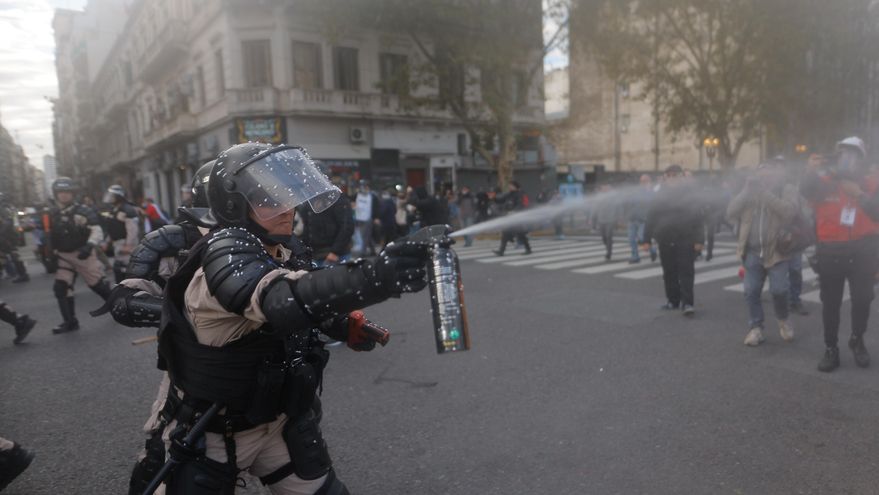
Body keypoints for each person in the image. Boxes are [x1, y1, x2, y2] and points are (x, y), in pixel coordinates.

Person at [139, 143, 434, 494]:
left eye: (288, 196)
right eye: (268, 199)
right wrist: (375, 276)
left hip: (276, 421)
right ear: (235, 205)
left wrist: (342, 323)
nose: (287, 208)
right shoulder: (221, 253)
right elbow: (279, 298)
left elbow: (308, 292)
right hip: (209, 430)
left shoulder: (284, 249)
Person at [801, 138, 879, 372]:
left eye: (853, 155)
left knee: (863, 300)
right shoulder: (824, 182)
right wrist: (810, 170)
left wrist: (858, 194)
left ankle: (857, 339)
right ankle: (830, 348)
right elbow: (805, 191)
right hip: (831, 251)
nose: (848, 160)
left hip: (864, 251)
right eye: (843, 154)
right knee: (831, 304)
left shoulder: (871, 183)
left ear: (861, 160)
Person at [726, 161, 799, 346]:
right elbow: (730, 212)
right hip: (752, 251)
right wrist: (745, 191)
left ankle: (783, 320)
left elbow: (789, 212)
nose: (764, 176)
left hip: (777, 251)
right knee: (751, 292)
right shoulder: (748, 190)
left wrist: (765, 194)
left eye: (769, 172)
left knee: (780, 290)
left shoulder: (786, 188)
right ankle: (756, 328)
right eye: (761, 172)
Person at [47, 177, 111, 334]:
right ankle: (70, 322)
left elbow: (97, 230)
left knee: (97, 285)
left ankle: (121, 309)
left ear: (73, 194)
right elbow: (50, 234)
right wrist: (51, 253)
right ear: (56, 194)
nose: (64, 195)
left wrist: (89, 246)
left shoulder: (84, 211)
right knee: (61, 287)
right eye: (60, 192)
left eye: (67, 192)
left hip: (83, 254)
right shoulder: (52, 213)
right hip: (63, 255)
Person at [642, 165, 703, 316]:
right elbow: (651, 217)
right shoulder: (660, 194)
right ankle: (673, 300)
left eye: (675, 175)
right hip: (665, 238)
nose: (672, 178)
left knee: (686, 272)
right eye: (669, 175)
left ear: (681, 177)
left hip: (686, 238)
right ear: (665, 177)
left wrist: (699, 240)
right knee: (669, 272)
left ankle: (688, 303)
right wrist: (646, 239)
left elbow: (698, 218)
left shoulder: (690, 194)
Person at [297, 187, 355, 267]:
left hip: (335, 254)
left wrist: (335, 252)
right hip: (315, 254)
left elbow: (346, 227)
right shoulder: (310, 201)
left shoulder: (337, 198)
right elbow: (307, 228)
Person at [103, 185, 141, 283]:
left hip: (125, 243)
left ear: (119, 197)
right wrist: (107, 242)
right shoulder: (114, 209)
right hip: (117, 244)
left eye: (112, 196)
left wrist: (128, 245)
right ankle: (121, 292)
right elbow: (112, 228)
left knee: (126, 270)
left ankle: (130, 292)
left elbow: (132, 230)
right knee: (118, 269)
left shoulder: (127, 209)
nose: (110, 198)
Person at [493, 181, 532, 256]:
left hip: (516, 218)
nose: (510, 187)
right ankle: (501, 251)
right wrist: (494, 198)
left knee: (521, 234)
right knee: (505, 234)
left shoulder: (520, 194)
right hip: (509, 217)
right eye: (509, 185)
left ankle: (528, 249)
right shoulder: (509, 194)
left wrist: (514, 211)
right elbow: (500, 200)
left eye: (511, 186)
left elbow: (520, 205)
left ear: (515, 186)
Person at [626, 175, 655, 263]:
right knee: (631, 239)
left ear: (650, 182)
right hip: (632, 219)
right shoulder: (636, 191)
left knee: (642, 238)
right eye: (642, 181)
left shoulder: (652, 192)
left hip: (644, 220)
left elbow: (652, 204)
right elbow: (629, 203)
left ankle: (652, 251)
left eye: (646, 181)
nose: (643, 183)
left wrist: (648, 190)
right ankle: (635, 256)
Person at [0, 194, 28, 283]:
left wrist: (2, 232)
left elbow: (7, 222)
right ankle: (20, 274)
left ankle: (22, 274)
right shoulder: (9, 207)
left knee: (13, 255)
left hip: (8, 235)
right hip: (12, 233)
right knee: (9, 254)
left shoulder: (3, 209)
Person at [592, 184, 620, 261]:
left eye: (607, 187)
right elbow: (595, 209)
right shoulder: (599, 197)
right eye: (603, 187)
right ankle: (609, 244)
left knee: (608, 236)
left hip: (610, 220)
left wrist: (617, 219)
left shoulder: (613, 197)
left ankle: (609, 253)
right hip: (601, 220)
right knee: (604, 237)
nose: (605, 189)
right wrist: (593, 222)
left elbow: (617, 208)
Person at [353, 180, 380, 256]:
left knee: (364, 235)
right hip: (359, 218)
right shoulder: (358, 194)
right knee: (367, 235)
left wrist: (376, 217)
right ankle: (373, 250)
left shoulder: (372, 196)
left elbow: (376, 207)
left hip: (368, 218)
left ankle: (363, 252)